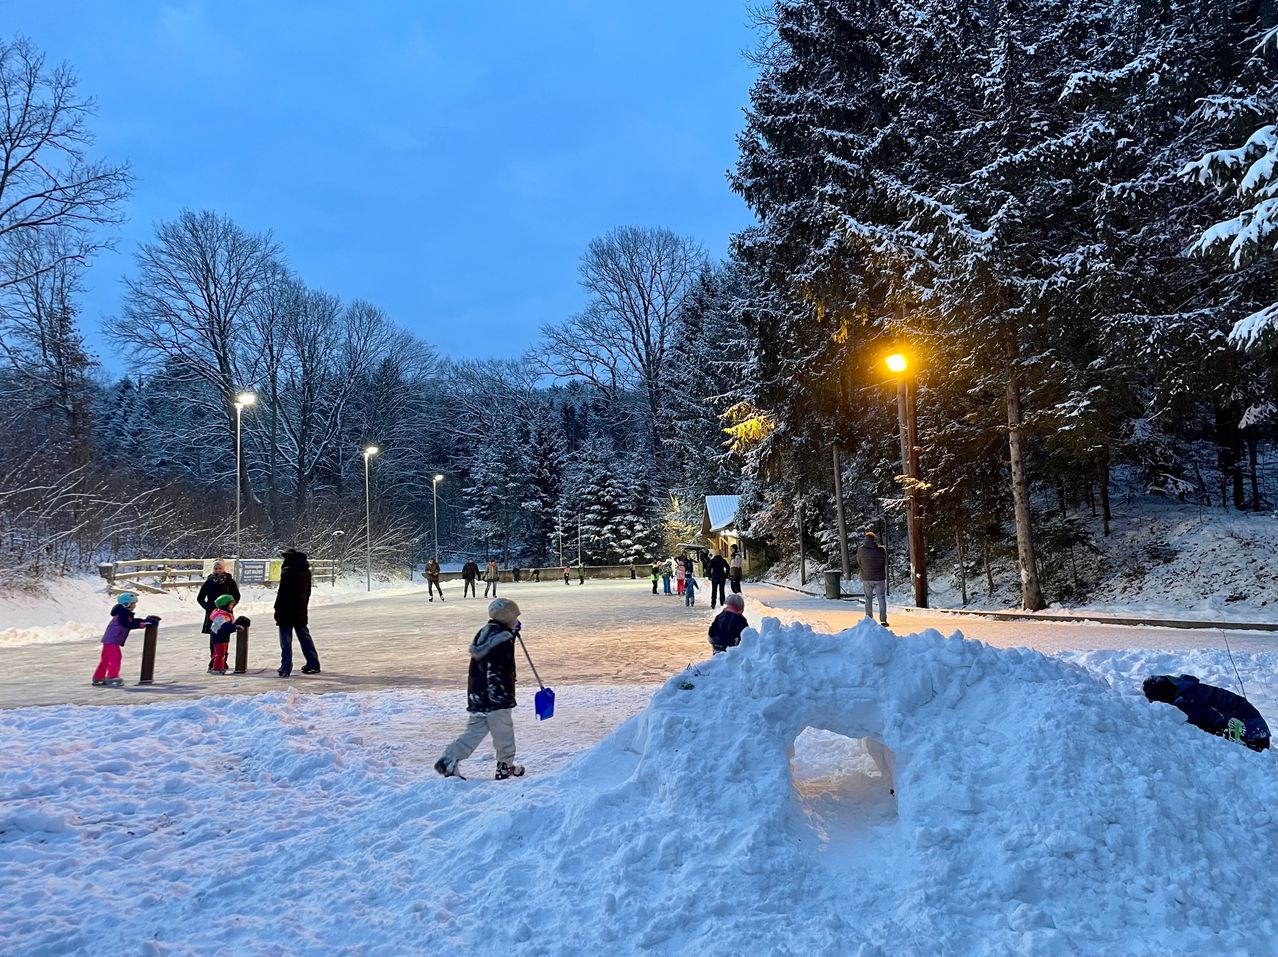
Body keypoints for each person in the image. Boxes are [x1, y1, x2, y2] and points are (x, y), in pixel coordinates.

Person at [434, 598, 526, 781]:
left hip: (477, 693)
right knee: (504, 733)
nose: (517, 620)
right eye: (515, 617)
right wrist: (499, 698)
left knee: (474, 732)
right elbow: (494, 670)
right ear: (506, 618)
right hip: (495, 695)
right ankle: (505, 767)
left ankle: (448, 760)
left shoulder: (486, 632)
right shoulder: (503, 639)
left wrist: (512, 633)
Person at [1143, 675, 1271, 751]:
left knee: (1218, 744)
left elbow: (1194, 730)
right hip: (1253, 723)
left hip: (1253, 733)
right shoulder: (1184, 686)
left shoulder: (1190, 701)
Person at [92, 593, 157, 687]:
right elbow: (127, 624)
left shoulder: (124, 613)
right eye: (133, 603)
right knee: (115, 657)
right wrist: (142, 624)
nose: (135, 606)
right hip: (112, 640)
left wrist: (144, 621)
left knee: (106, 659)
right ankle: (112, 677)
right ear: (126, 604)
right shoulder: (122, 614)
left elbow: (132, 621)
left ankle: (98, 677)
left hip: (110, 640)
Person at [275, 549, 321, 677]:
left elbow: (283, 594)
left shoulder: (288, 572)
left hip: (286, 610)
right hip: (300, 609)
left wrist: (277, 609)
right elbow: (308, 592)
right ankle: (313, 663)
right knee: (304, 636)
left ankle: (286, 667)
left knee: (285, 639)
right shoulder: (306, 572)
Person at [197, 560, 240, 662]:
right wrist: (207, 607)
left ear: (224, 569)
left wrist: (231, 606)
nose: (218, 570)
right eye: (216, 568)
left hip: (225, 614)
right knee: (214, 637)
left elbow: (237, 596)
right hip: (213, 613)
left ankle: (223, 661)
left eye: (220, 568)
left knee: (225, 636)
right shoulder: (209, 582)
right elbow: (200, 598)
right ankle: (214, 660)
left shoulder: (230, 581)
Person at [856, 531, 888, 626]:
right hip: (879, 577)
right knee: (881, 598)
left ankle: (869, 619)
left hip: (867, 577)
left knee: (868, 599)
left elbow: (859, 562)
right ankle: (883, 620)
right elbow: (884, 562)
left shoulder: (860, 550)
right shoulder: (881, 550)